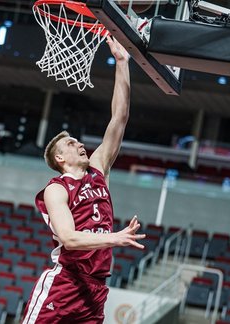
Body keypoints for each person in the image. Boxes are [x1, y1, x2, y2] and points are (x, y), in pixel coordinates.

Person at [21, 36, 145, 324]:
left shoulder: (98, 169)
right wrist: (115, 238)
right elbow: (68, 238)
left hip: (96, 287)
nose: (80, 145)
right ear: (60, 159)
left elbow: (120, 117)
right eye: (72, 144)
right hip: (66, 281)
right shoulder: (56, 189)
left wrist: (122, 63)